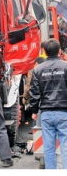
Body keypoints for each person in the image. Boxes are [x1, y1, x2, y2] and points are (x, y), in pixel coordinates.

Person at [29, 38, 67, 169]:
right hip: (64, 112)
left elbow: (34, 92)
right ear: (60, 51)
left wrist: (34, 111)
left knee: (49, 148)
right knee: (65, 146)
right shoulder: (65, 66)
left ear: (44, 51)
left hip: (46, 114)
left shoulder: (38, 69)